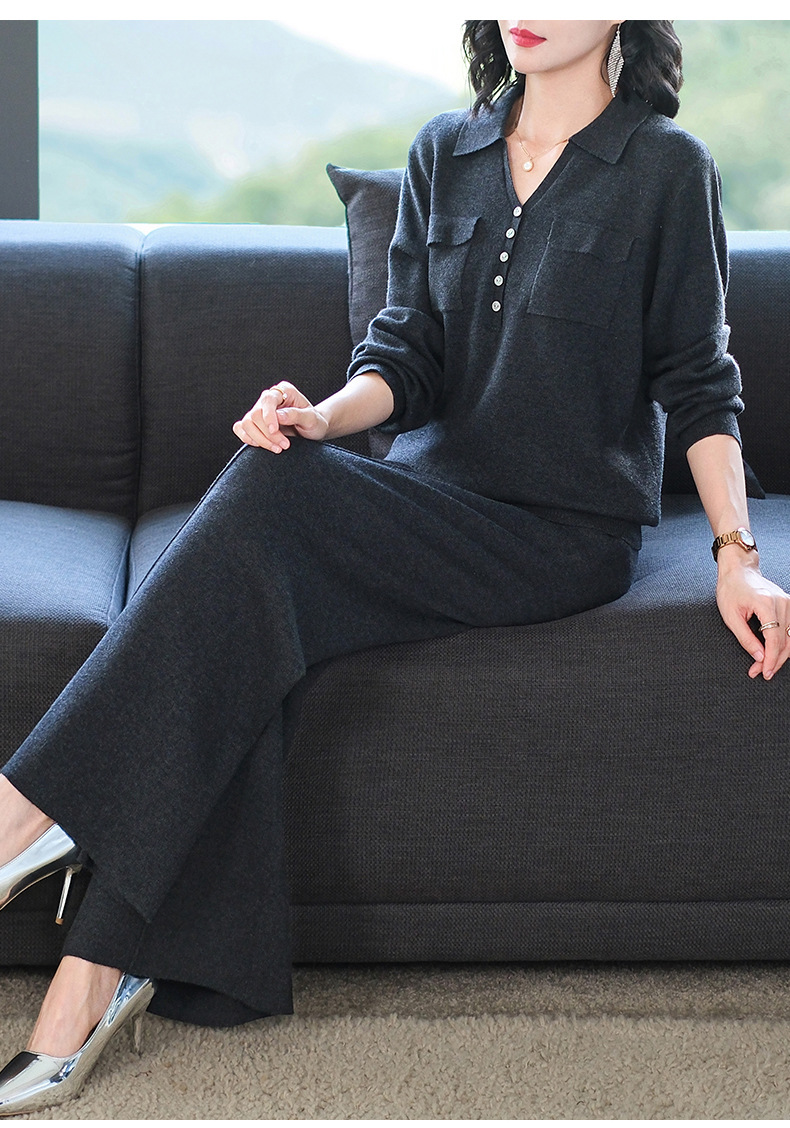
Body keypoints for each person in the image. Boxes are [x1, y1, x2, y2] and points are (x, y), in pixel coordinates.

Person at [1, 18, 789, 1115]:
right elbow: (403, 356)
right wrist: (318, 417)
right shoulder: (442, 151)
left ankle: (32, 815)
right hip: (425, 496)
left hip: (559, 533)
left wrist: (735, 556)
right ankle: (91, 977)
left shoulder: (666, 168)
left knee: (260, 530)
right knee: (254, 575)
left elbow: (701, 385)